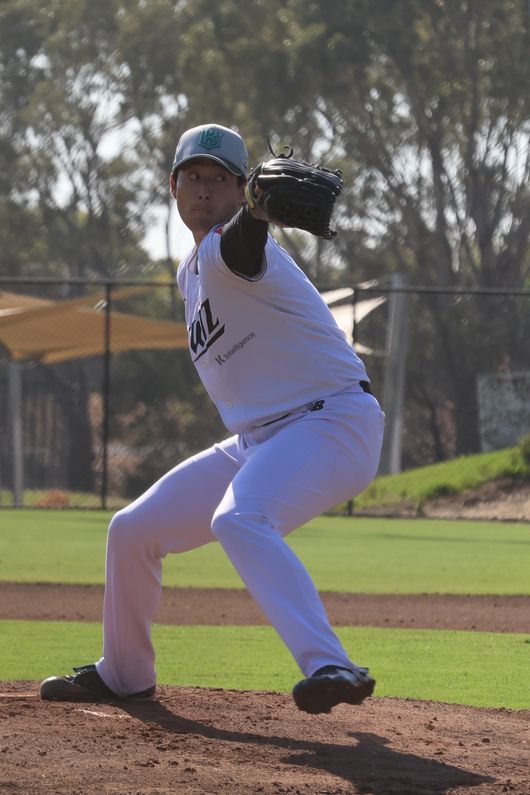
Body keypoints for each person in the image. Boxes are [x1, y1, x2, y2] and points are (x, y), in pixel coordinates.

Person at [40, 123, 384, 714]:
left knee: (240, 518)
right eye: (193, 176)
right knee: (132, 530)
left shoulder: (233, 249)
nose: (204, 188)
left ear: (241, 189)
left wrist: (256, 214)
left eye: (220, 179)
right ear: (173, 187)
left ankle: (330, 664)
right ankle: (124, 672)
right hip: (261, 439)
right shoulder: (191, 270)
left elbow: (243, 246)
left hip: (332, 423)